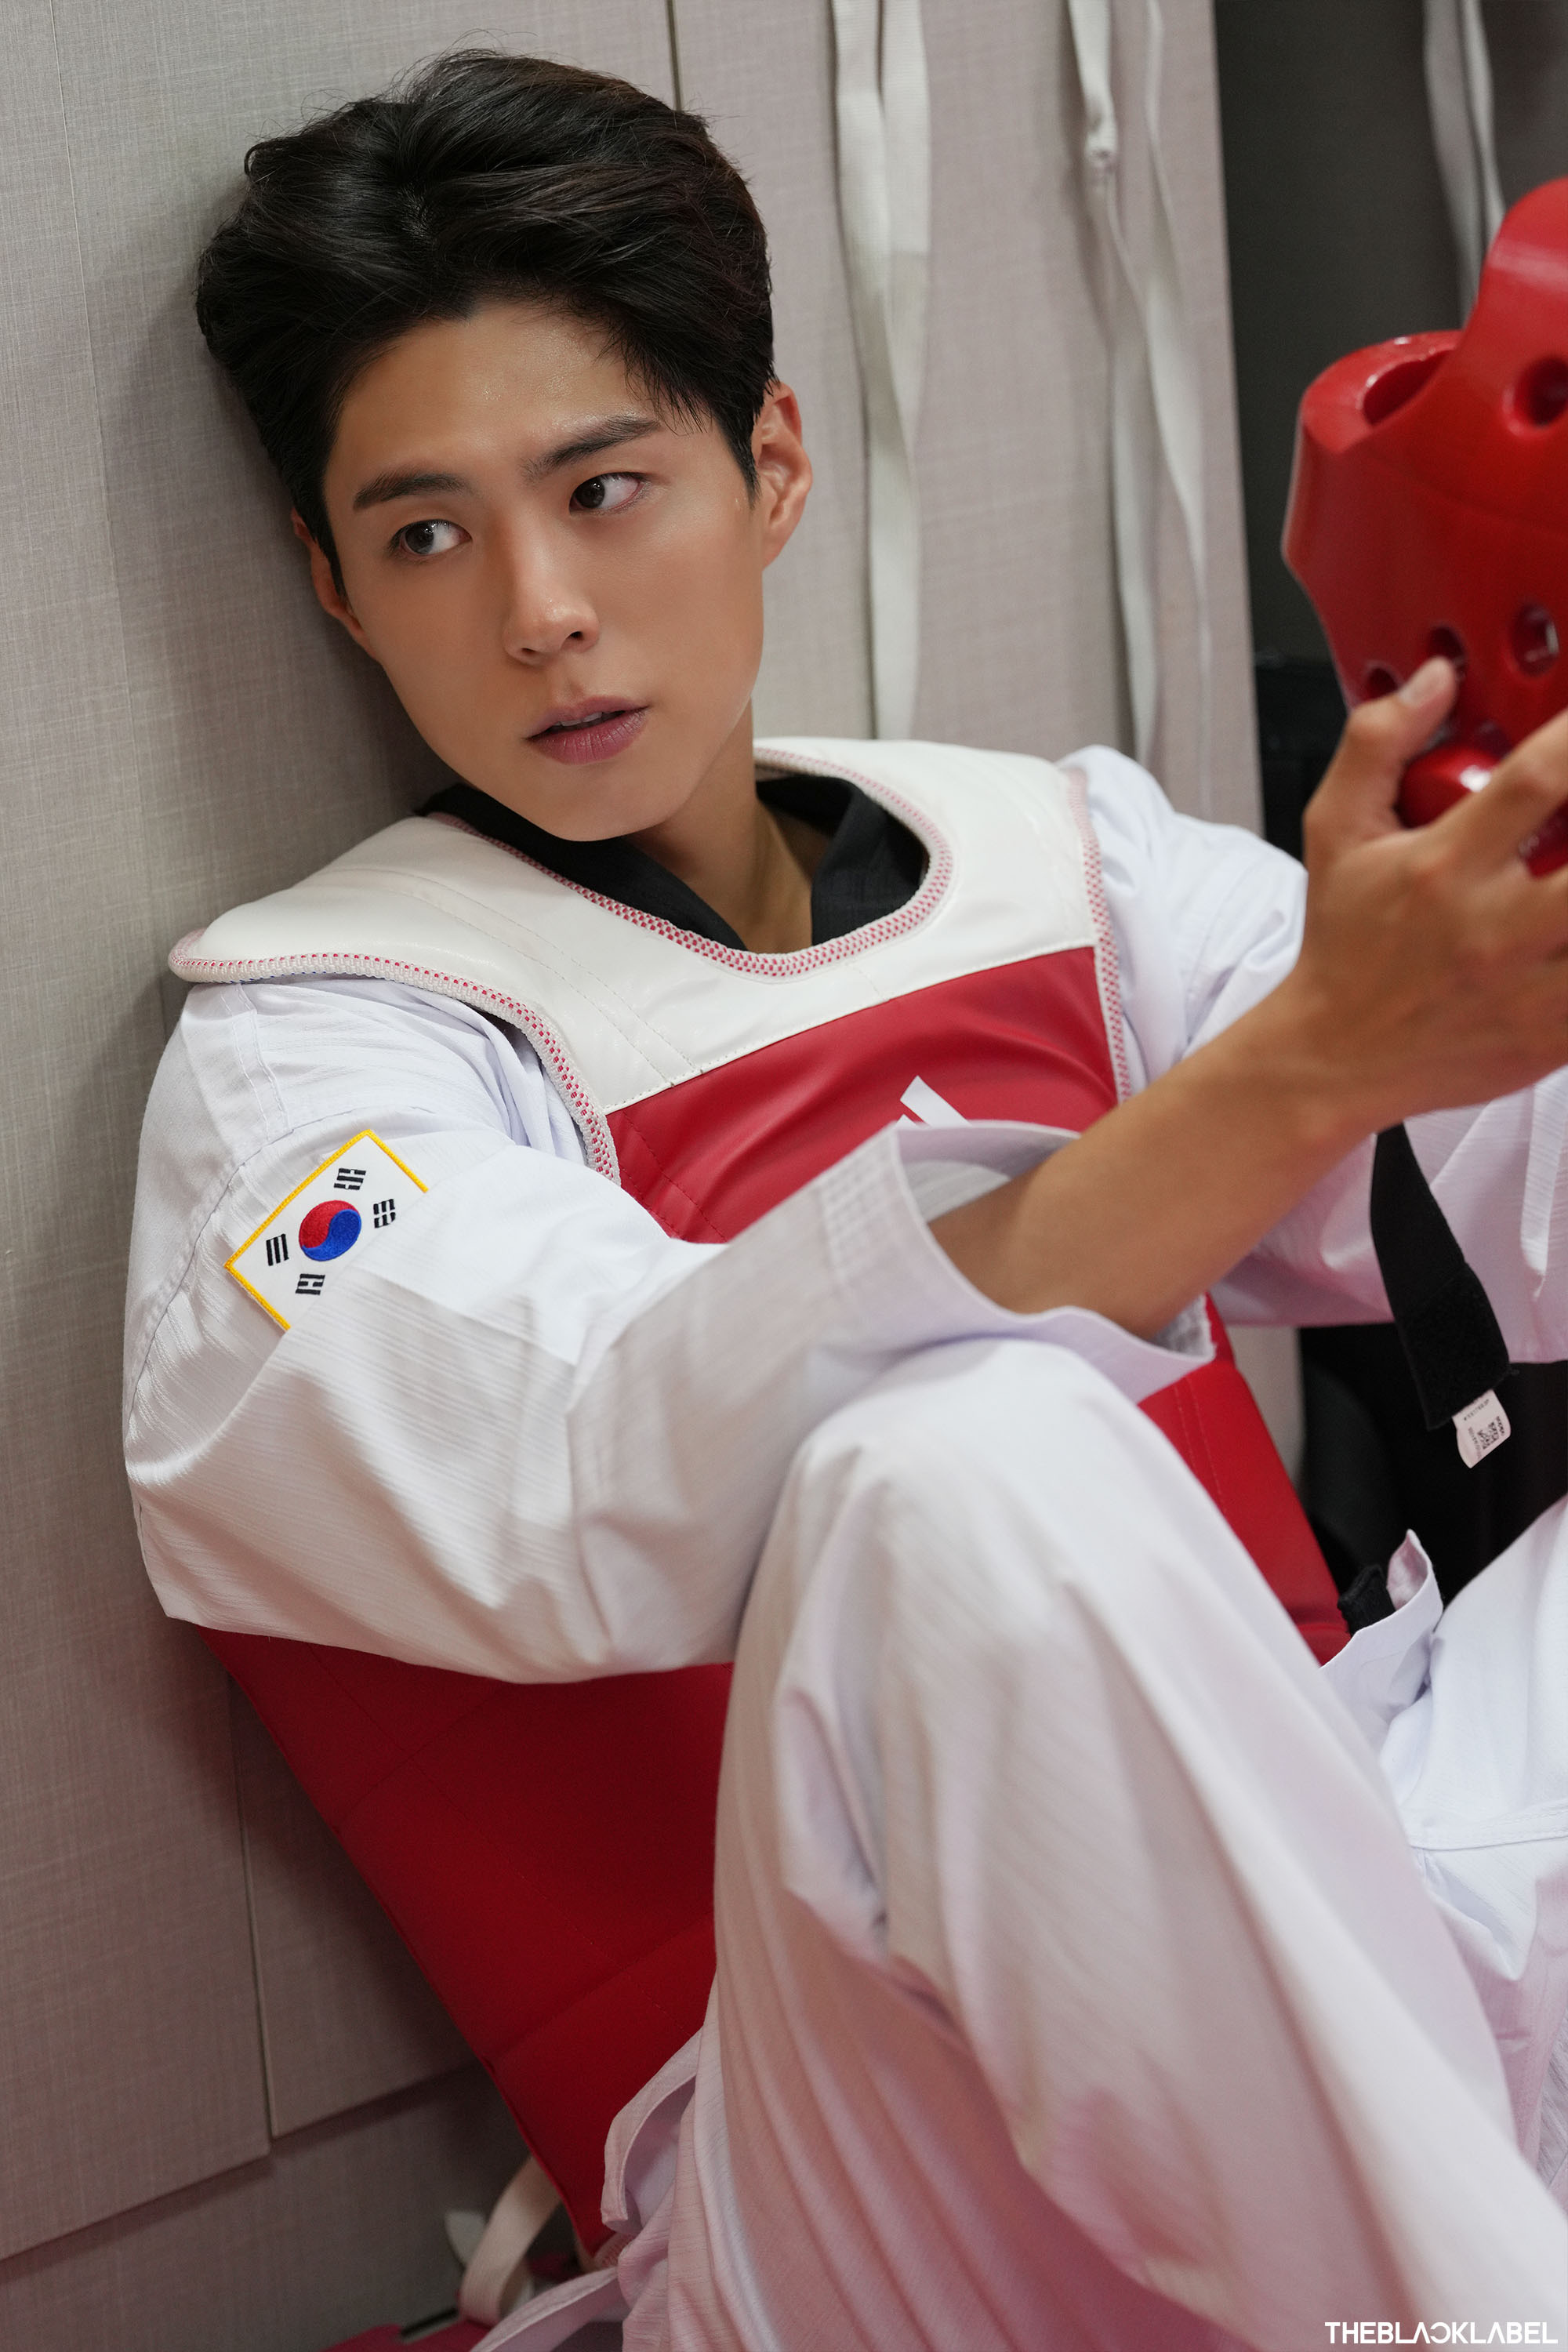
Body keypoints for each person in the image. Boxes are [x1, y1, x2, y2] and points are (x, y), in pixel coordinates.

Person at [124, 49, 1568, 2349]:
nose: (541, 610)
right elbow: (599, 1461)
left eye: (605, 489)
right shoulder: (320, 1053)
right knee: (955, 1468)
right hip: (844, 2158)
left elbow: (1501, 1170)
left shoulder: (1053, 854)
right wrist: (1314, 1060)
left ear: (771, 465)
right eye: (427, 537)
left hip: (1341, 1900)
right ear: (333, 585)